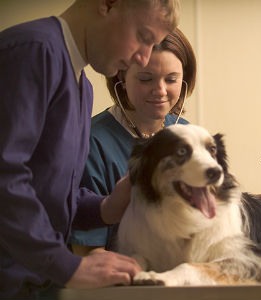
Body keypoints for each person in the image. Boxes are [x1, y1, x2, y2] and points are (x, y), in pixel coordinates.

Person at [0, 0, 180, 298]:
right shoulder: (34, 51)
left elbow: (49, 191)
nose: (143, 57)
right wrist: (67, 266)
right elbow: (5, 177)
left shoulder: (83, 87)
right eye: (144, 37)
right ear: (107, 5)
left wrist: (105, 208)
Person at [70, 27, 197, 255]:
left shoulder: (188, 136)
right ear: (121, 76)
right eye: (146, 78)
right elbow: (88, 254)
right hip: (122, 283)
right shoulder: (91, 142)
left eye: (171, 79)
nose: (160, 91)